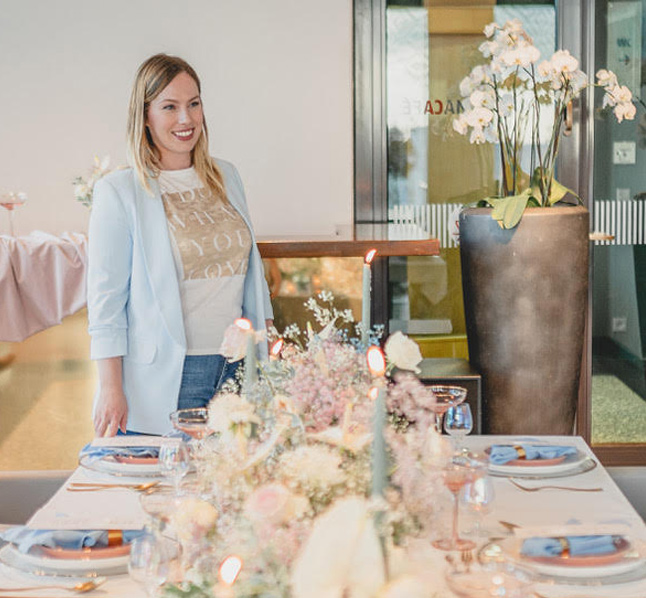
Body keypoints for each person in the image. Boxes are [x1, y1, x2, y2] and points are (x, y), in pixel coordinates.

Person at [87, 53, 273, 437]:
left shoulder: (227, 176)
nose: (185, 119)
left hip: (238, 367)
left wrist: (268, 356)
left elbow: (250, 273)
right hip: (171, 374)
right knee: (166, 489)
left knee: (230, 489)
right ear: (145, 116)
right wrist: (110, 387)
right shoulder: (119, 192)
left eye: (193, 104)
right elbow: (106, 303)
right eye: (169, 107)